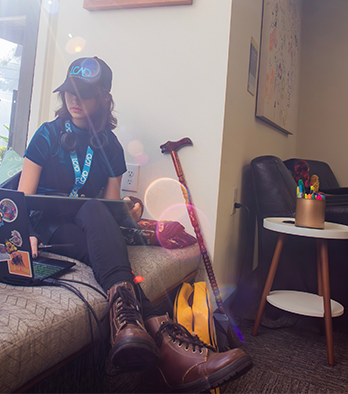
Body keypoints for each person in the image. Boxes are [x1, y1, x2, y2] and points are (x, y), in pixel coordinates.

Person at [17, 56, 252, 392]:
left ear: (104, 98)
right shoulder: (47, 134)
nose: (74, 99)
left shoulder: (110, 145)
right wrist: (24, 234)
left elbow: (111, 209)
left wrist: (134, 215)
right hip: (48, 227)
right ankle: (167, 343)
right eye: (69, 90)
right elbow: (22, 198)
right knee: (94, 212)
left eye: (84, 93)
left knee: (96, 210)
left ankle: (133, 329)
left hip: (85, 226)